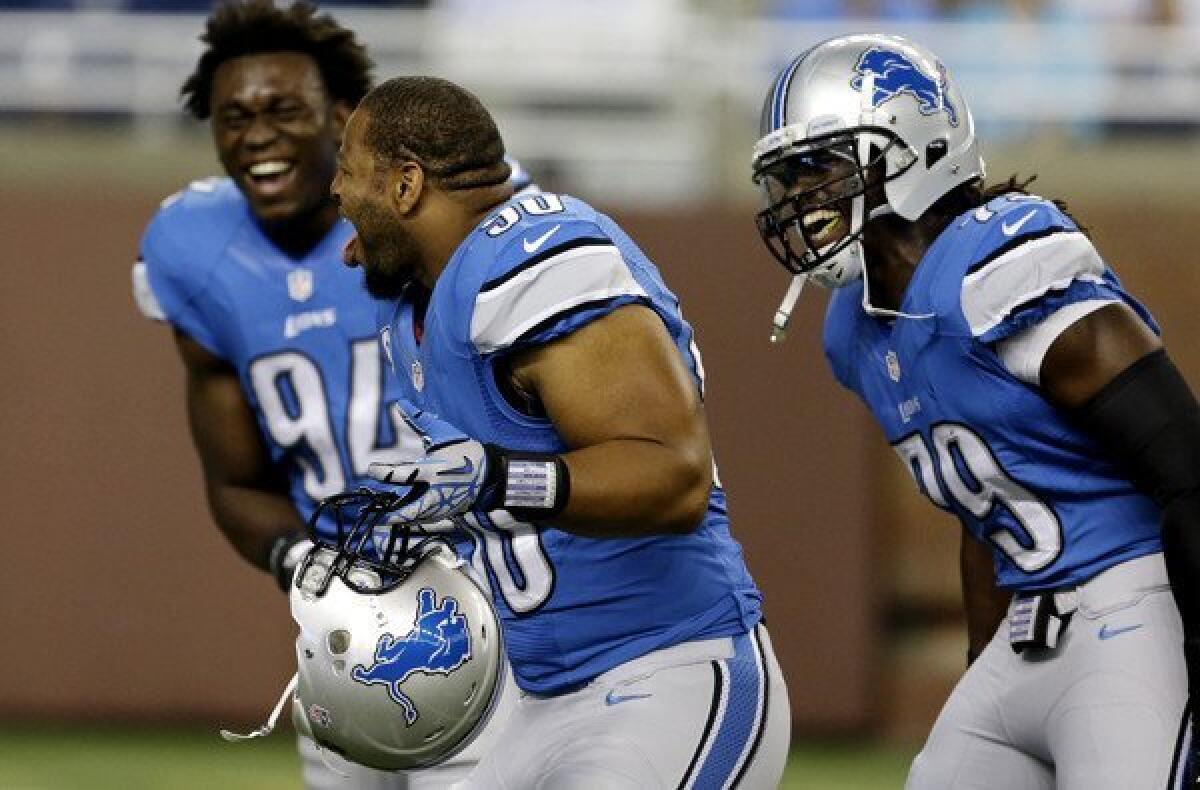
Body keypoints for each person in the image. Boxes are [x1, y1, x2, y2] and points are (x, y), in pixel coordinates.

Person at [750, 33, 1199, 789]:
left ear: (908, 148)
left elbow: (1186, 463)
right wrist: (980, 666)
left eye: (818, 169)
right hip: (1026, 632)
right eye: (785, 178)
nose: (798, 200)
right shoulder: (854, 328)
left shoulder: (1002, 267)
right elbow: (983, 512)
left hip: (1131, 608)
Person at [330, 74, 791, 789]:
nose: (335, 191)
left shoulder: (534, 257)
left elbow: (674, 476)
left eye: (347, 168)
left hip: (669, 672)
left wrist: (491, 477)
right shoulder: (416, 314)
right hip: (543, 699)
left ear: (405, 185)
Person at [131, 2, 518, 787]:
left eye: (284, 110)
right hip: (343, 629)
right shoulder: (193, 250)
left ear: (343, 120)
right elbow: (237, 480)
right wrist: (305, 560)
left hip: (485, 600)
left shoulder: (439, 222)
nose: (257, 133)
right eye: (235, 116)